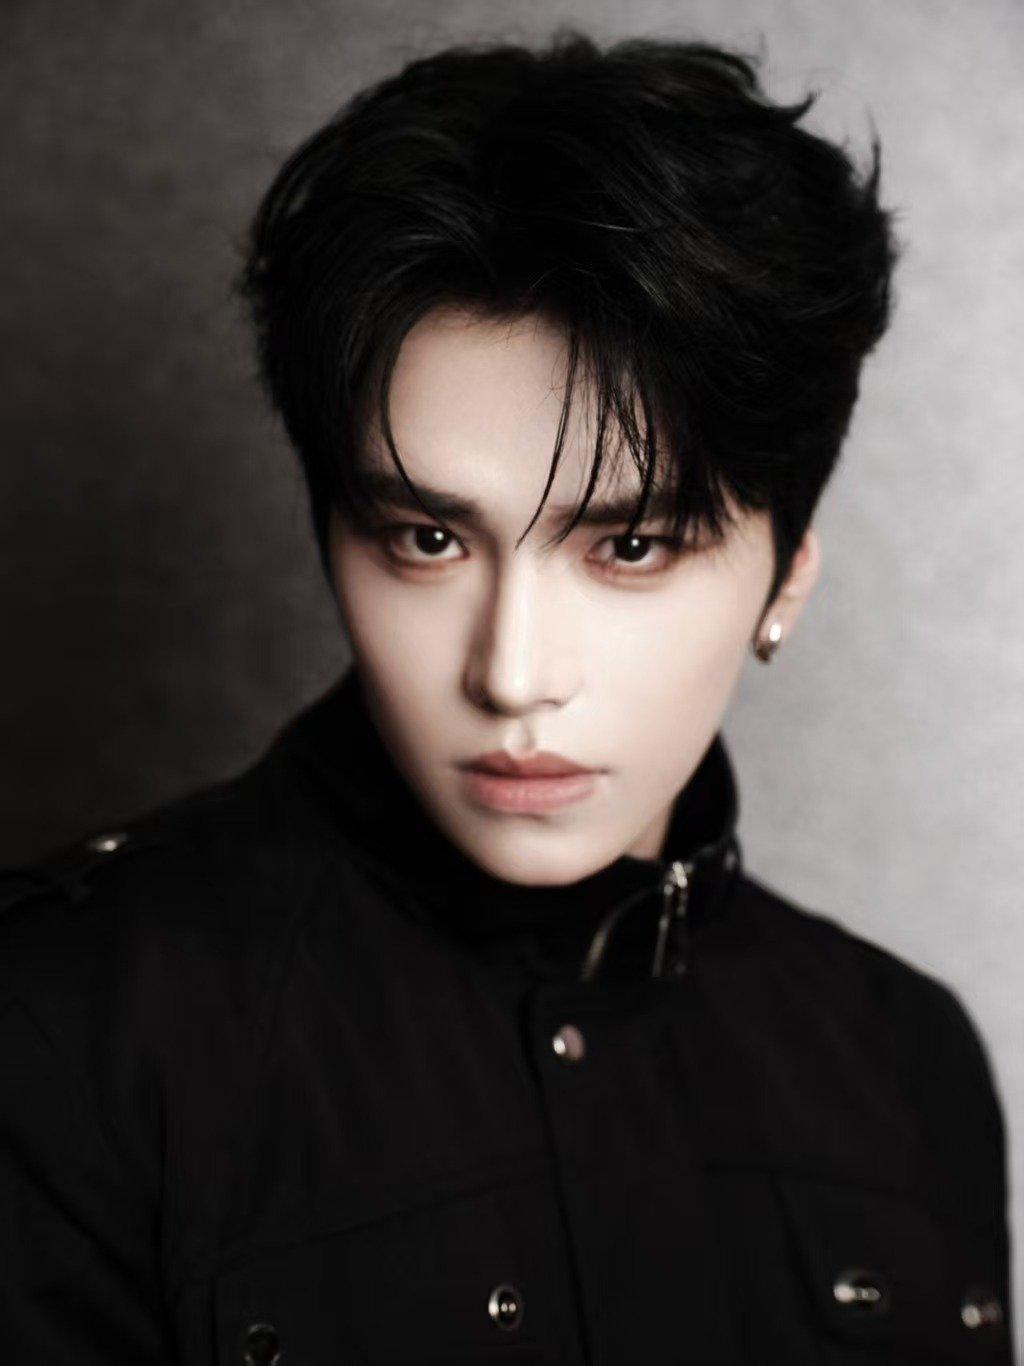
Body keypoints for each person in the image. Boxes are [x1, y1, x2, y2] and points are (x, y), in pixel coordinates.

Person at [0, 28, 1013, 1365]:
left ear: (786, 578)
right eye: (427, 538)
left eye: (631, 546)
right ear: (330, 531)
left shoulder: (905, 1064)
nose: (513, 673)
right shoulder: (62, 1024)